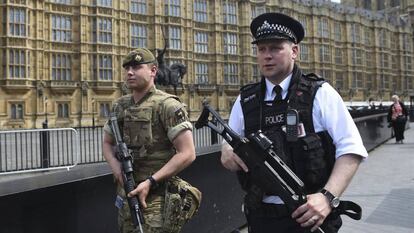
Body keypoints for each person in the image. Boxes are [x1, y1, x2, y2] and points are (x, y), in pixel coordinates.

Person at [221, 13, 368, 233]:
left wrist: (327, 198)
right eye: (261, 49)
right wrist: (226, 151)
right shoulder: (246, 100)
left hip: (312, 216)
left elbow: (352, 148)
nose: (267, 56)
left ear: (294, 51)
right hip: (261, 218)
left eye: (275, 48)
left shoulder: (319, 93)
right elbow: (229, 143)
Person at [103, 48, 201, 233]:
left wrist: (150, 181)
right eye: (127, 68)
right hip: (127, 195)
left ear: (153, 71)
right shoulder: (120, 106)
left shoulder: (168, 105)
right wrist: (116, 168)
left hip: (157, 197)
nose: (130, 72)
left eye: (137, 67)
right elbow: (107, 143)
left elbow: (188, 153)